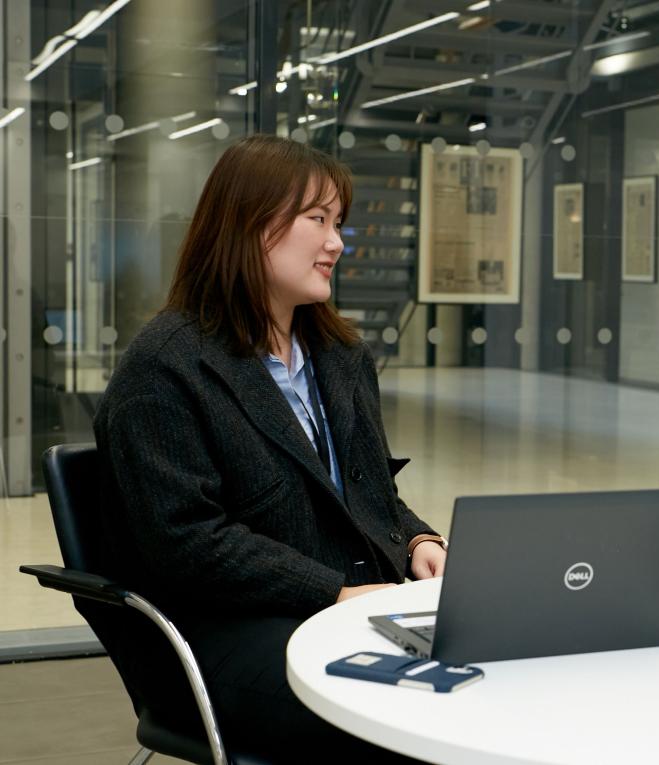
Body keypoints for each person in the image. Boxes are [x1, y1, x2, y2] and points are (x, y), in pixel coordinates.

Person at [93, 134, 444, 760]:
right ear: (249, 225)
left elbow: (371, 492)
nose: (337, 242)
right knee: (414, 716)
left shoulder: (340, 357)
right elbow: (187, 545)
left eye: (339, 222)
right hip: (229, 632)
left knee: (493, 680)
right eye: (318, 220)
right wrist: (333, 592)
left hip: (350, 610)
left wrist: (416, 540)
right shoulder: (166, 368)